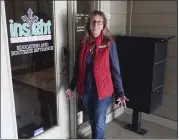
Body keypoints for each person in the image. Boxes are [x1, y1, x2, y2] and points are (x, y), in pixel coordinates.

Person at [65, 10, 129, 139]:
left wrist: (120, 93)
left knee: (99, 123)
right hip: (86, 90)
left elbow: (115, 70)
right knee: (92, 120)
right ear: (89, 24)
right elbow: (78, 68)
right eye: (93, 21)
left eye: (99, 22)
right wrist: (72, 86)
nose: (96, 24)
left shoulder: (109, 44)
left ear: (103, 25)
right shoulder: (83, 44)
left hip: (102, 92)